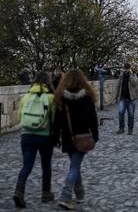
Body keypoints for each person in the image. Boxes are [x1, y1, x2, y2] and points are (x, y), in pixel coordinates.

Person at [53, 69, 99, 210]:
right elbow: (93, 120)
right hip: (82, 137)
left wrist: (56, 138)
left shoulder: (61, 97)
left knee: (75, 165)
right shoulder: (87, 97)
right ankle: (66, 197)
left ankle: (80, 195)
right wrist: (95, 137)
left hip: (67, 137)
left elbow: (57, 122)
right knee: (74, 166)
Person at [13, 72, 56, 208]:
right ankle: (45, 193)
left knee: (27, 166)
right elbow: (54, 118)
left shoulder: (26, 97)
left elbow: (20, 118)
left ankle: (19, 192)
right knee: (46, 165)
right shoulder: (50, 98)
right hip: (45, 136)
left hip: (27, 136)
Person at [114, 63, 138, 135]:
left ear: (129, 69)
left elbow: (135, 83)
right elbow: (118, 86)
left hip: (131, 99)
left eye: (127, 69)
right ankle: (121, 128)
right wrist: (116, 97)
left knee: (131, 115)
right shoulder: (121, 76)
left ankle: (130, 129)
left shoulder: (133, 75)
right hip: (123, 98)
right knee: (121, 113)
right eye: (125, 68)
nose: (126, 70)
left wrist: (131, 75)